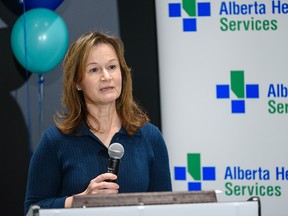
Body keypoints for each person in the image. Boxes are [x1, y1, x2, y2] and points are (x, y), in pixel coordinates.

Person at [24, 31, 172, 215]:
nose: (106, 77)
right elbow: (32, 209)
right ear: (77, 82)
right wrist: (80, 200)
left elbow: (166, 208)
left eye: (112, 67)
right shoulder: (55, 141)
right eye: (94, 70)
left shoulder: (150, 137)